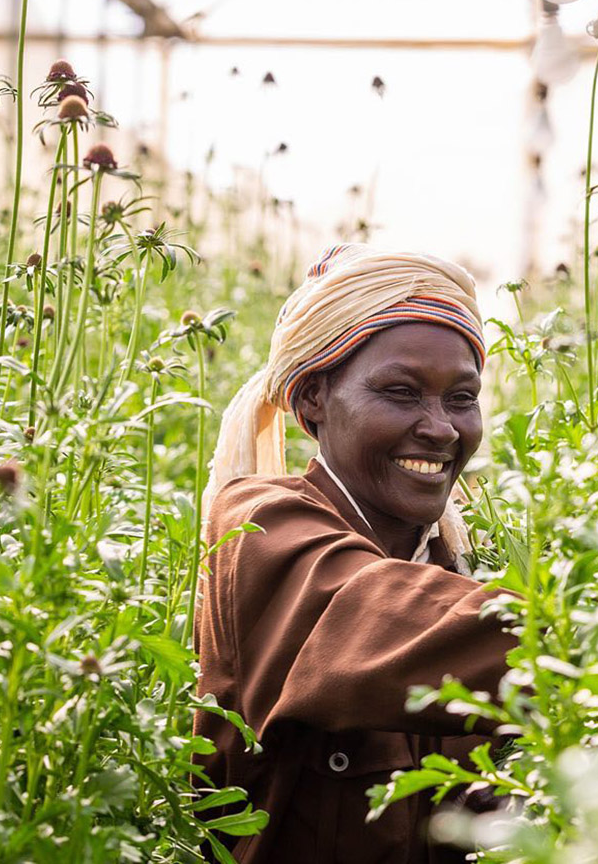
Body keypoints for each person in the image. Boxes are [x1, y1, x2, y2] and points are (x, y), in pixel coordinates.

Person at [193, 244, 517, 863]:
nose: (442, 428)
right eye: (401, 392)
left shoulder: (458, 570)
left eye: (461, 398)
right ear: (313, 398)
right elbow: (381, 613)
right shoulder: (260, 527)